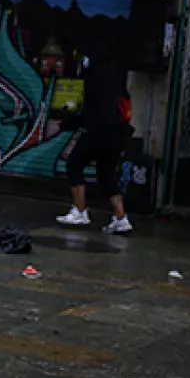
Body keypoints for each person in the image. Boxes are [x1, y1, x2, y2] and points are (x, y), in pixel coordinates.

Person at [56, 39, 134, 234]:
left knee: (74, 164)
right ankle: (121, 218)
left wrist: (67, 124)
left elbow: (89, 112)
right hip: (118, 134)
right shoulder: (116, 74)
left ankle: (80, 211)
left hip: (99, 132)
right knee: (106, 174)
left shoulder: (94, 77)